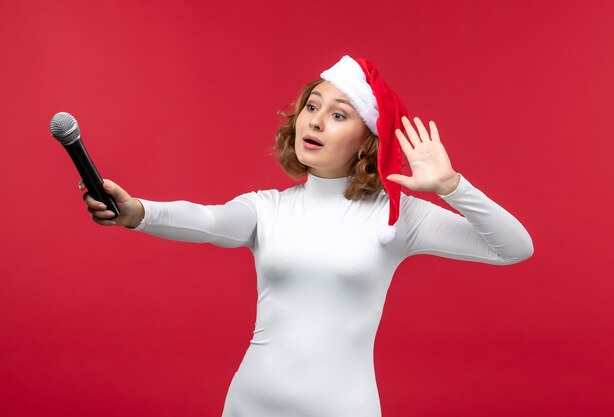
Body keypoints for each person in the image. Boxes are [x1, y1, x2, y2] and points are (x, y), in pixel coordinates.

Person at [80, 55, 533, 417]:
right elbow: (208, 221)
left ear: (368, 140)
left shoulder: (400, 216)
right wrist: (137, 211)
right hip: (251, 405)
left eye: (338, 114)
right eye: (312, 107)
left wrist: (454, 187)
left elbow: (514, 248)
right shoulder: (267, 207)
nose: (314, 121)